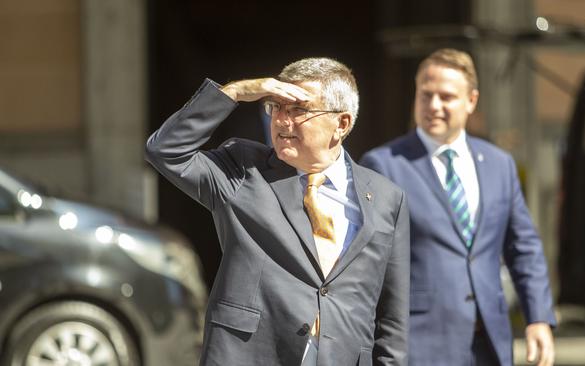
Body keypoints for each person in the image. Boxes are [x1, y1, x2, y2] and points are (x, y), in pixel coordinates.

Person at [145, 57, 409, 366]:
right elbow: (165, 151)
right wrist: (236, 92)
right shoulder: (243, 170)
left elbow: (392, 318)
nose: (282, 121)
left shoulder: (386, 197)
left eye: (298, 109)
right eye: (276, 107)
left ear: (342, 124)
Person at [360, 48, 556, 366]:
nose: (434, 106)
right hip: (421, 343)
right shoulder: (383, 165)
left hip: (490, 343)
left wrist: (538, 318)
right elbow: (368, 262)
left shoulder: (499, 164)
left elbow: (524, 247)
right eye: (426, 95)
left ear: (471, 101)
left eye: (446, 97)